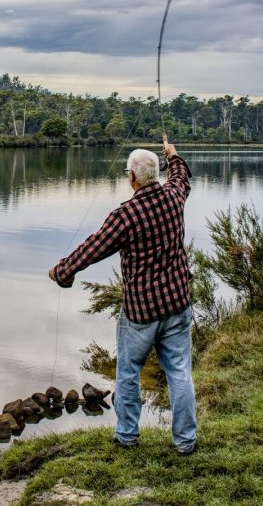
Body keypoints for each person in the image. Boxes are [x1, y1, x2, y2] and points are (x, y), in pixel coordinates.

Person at [48, 135, 196, 454]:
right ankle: (186, 441)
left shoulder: (125, 215)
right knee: (180, 373)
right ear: (154, 174)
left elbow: (93, 247)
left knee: (129, 373)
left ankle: (127, 436)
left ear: (131, 177)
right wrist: (173, 154)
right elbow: (182, 175)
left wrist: (63, 270)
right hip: (177, 304)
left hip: (141, 312)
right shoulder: (174, 196)